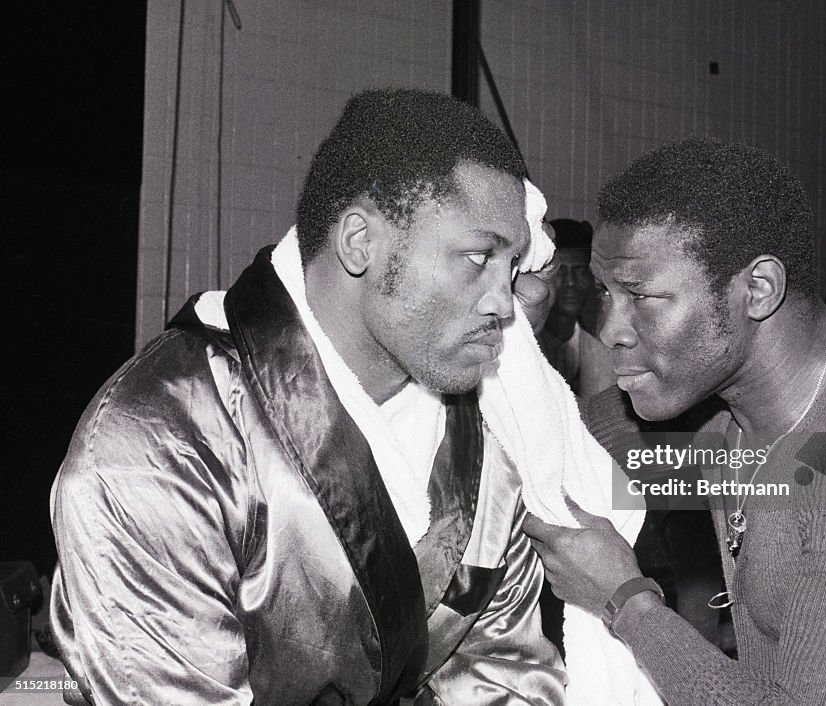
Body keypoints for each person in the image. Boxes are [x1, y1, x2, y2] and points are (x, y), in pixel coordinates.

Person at [49, 88, 566, 705]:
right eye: (478, 258)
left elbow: (505, 675)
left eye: (512, 267)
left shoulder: (485, 441)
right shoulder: (159, 440)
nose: (504, 304)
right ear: (359, 242)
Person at [524, 138, 826, 703]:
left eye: (639, 295)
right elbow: (556, 443)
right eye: (607, 293)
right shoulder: (714, 406)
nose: (611, 327)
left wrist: (624, 601)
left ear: (757, 290)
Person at [538, 218, 616, 396]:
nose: (571, 283)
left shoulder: (606, 359)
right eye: (560, 272)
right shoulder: (518, 350)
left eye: (580, 272)